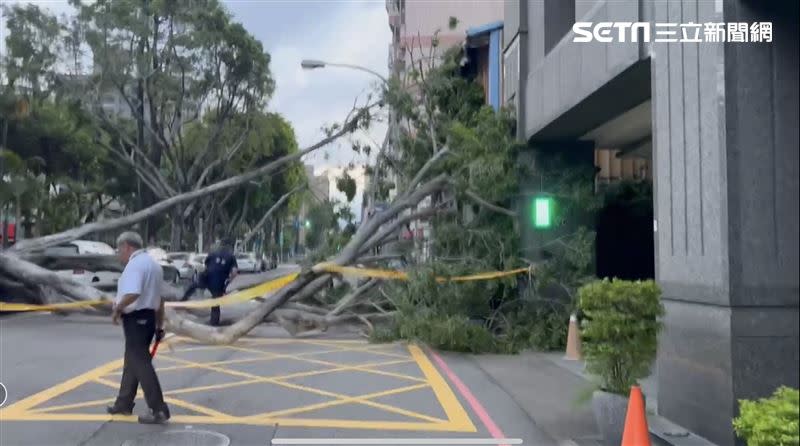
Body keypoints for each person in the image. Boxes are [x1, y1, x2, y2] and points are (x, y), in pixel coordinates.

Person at [107, 231, 170, 424]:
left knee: (141, 363)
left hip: (136, 319)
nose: (119, 254)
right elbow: (160, 301)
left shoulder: (135, 265)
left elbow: (133, 294)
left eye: (119, 249)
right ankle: (124, 403)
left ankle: (158, 409)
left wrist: (117, 309)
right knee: (132, 360)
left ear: (127, 246)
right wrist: (159, 325)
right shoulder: (154, 265)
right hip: (149, 318)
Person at [204, 238, 238, 326]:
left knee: (214, 299)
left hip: (208, 279)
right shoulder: (231, 256)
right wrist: (229, 282)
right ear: (229, 246)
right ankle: (214, 322)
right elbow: (234, 272)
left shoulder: (212, 253)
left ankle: (184, 299)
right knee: (216, 301)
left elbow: (206, 265)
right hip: (220, 281)